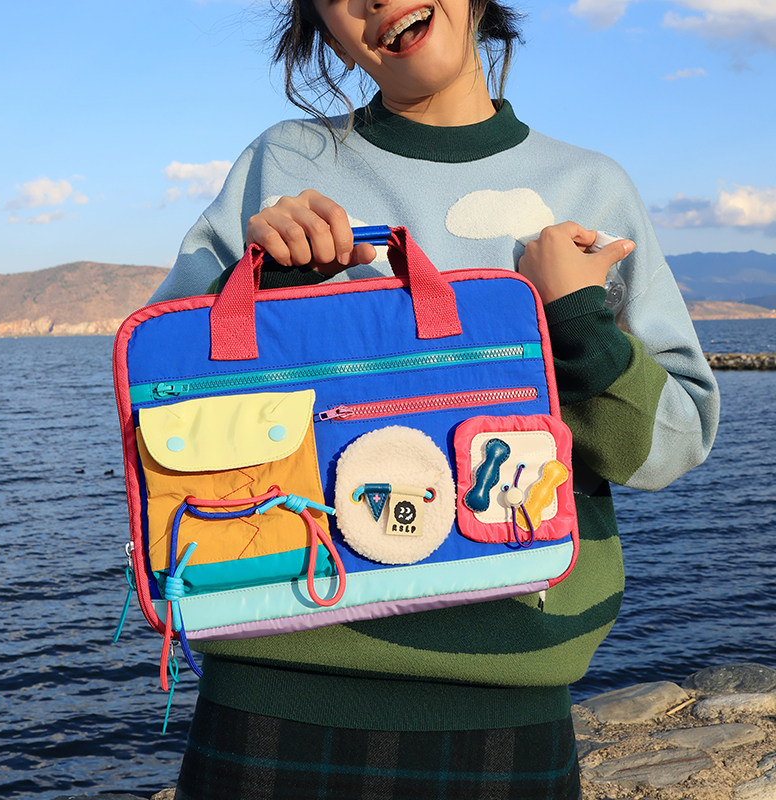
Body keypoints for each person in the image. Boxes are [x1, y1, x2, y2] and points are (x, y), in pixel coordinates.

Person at [152, 1, 720, 797]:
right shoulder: (282, 163)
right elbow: (160, 397)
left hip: (509, 694)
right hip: (273, 684)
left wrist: (576, 320)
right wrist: (265, 282)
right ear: (322, 28)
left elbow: (671, 444)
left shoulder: (591, 188)